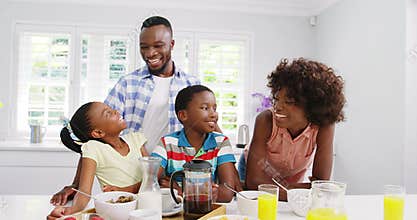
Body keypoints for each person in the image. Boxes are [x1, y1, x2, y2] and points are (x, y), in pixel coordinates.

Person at [50, 15, 200, 205]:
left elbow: (208, 127)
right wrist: (75, 185)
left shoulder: (191, 84)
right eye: (144, 47)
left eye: (158, 45)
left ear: (172, 44)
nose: (150, 53)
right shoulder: (127, 84)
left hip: (177, 175)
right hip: (135, 180)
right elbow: (94, 136)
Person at [245, 58, 345, 200]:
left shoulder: (324, 126)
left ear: (313, 106)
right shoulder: (265, 121)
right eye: (276, 99)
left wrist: (287, 190)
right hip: (256, 172)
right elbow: (254, 182)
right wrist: (298, 192)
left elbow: (321, 183)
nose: (278, 107)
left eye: (289, 102)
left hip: (291, 179)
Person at [47, 102, 147, 219]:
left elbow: (153, 175)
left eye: (112, 109)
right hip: (118, 212)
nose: (116, 111)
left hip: (146, 207)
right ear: (98, 132)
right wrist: (70, 211)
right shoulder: (93, 148)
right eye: (108, 113)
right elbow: (84, 192)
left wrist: (130, 189)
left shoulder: (136, 139)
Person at [151, 85, 242, 202]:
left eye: (214, 108)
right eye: (205, 108)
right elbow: (150, 182)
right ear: (183, 115)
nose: (214, 114)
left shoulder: (221, 142)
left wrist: (181, 193)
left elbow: (227, 193)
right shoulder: (167, 143)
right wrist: (204, 193)